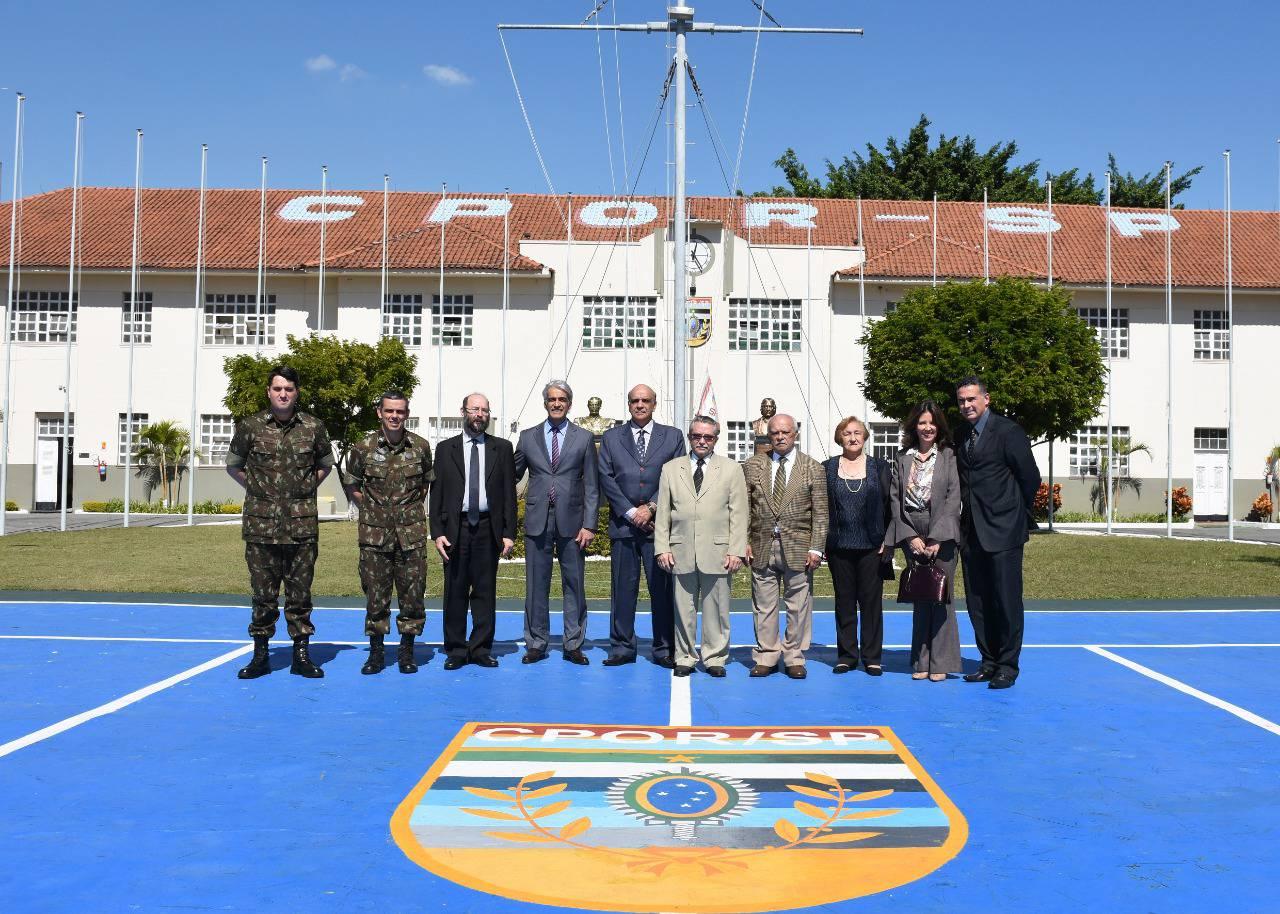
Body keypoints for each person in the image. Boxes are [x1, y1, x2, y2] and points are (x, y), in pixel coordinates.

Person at [225, 365, 334, 679]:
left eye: (288, 389)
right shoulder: (250, 427)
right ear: (268, 392)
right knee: (263, 594)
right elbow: (234, 466)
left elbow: (324, 465)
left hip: (301, 526)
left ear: (296, 392)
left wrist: (304, 487)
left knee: (300, 594)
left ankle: (301, 655)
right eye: (277, 389)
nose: (283, 394)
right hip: (262, 526)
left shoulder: (313, 427)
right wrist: (259, 489)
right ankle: (261, 656)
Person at [954, 376, 1041, 690]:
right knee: (978, 601)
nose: (966, 405)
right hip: (971, 532)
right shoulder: (960, 434)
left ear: (986, 399)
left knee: (1006, 600)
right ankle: (988, 662)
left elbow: (1029, 478)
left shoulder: (1009, 431)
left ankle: (1007, 665)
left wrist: (1015, 513)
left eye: (972, 399)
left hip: (1004, 531)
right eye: (962, 400)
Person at [342, 390, 434, 675]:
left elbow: (424, 486)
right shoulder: (363, 447)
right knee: (376, 596)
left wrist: (405, 512)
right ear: (380, 413)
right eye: (390, 411)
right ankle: (377, 653)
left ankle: (407, 651)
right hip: (375, 536)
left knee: (412, 594)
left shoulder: (420, 447)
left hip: (411, 535)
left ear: (407, 414)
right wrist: (371, 509)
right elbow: (352, 484)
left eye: (401, 411)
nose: (395, 416)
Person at [597, 384, 686, 668]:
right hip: (623, 527)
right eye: (635, 400)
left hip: (658, 529)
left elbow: (677, 476)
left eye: (645, 400)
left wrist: (651, 507)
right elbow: (606, 478)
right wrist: (630, 511)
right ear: (628, 404)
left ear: (654, 404)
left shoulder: (672, 437)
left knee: (662, 591)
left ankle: (664, 648)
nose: (640, 405)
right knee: (622, 591)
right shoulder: (611, 438)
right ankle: (622, 647)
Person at [654, 416, 748, 677]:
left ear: (716, 439)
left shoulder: (731, 469)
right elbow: (663, 512)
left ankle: (715, 657)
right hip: (681, 548)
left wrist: (736, 550)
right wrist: (662, 547)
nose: (702, 441)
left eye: (708, 437)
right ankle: (684, 655)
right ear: (689, 437)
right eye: (697, 436)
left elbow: (739, 514)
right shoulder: (671, 469)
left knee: (716, 609)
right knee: (682, 608)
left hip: (718, 550)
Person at [514, 380, 600, 665]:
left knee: (574, 584)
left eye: (562, 399)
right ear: (545, 403)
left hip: (573, 521)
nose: (557, 403)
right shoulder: (527, 437)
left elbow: (591, 485)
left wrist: (589, 524)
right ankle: (536, 642)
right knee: (536, 585)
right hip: (538, 519)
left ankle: (573, 643)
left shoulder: (584, 438)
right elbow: (510, 474)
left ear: (569, 403)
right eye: (552, 399)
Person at [430, 393, 517, 669]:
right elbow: (437, 493)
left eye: (484, 410)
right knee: (454, 591)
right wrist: (437, 532)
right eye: (474, 409)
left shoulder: (502, 448)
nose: (479, 414)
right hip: (456, 529)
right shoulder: (445, 449)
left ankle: (480, 648)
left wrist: (508, 532)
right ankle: (456, 649)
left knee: (484, 591)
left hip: (487, 529)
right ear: (463, 411)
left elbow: (508, 495)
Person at [742, 414, 828, 680]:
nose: (779, 437)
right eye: (775, 432)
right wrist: (743, 541)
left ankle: (793, 657)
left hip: (799, 547)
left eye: (785, 432)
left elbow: (821, 514)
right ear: (769, 435)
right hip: (761, 545)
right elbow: (744, 508)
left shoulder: (813, 467)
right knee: (764, 605)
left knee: (798, 605)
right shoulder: (753, 466)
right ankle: (767, 655)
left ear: (795, 434)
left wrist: (816, 548)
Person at [884, 401, 963, 682]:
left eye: (932, 423)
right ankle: (921, 659)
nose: (927, 427)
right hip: (911, 530)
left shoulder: (948, 455)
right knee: (922, 595)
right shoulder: (903, 457)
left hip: (942, 530)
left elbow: (954, 497)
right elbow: (895, 499)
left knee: (942, 598)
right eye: (921, 422)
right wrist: (910, 537)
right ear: (914, 426)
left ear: (938, 426)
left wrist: (937, 538)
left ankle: (941, 661)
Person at [823, 417, 893, 676]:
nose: (852, 437)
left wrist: (888, 538)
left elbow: (890, 505)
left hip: (872, 546)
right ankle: (847, 655)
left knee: (871, 603)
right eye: (846, 433)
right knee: (844, 602)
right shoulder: (827, 468)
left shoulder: (880, 467)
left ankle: (872, 657)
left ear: (865, 437)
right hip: (839, 545)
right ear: (839, 437)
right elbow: (821, 508)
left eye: (857, 433)